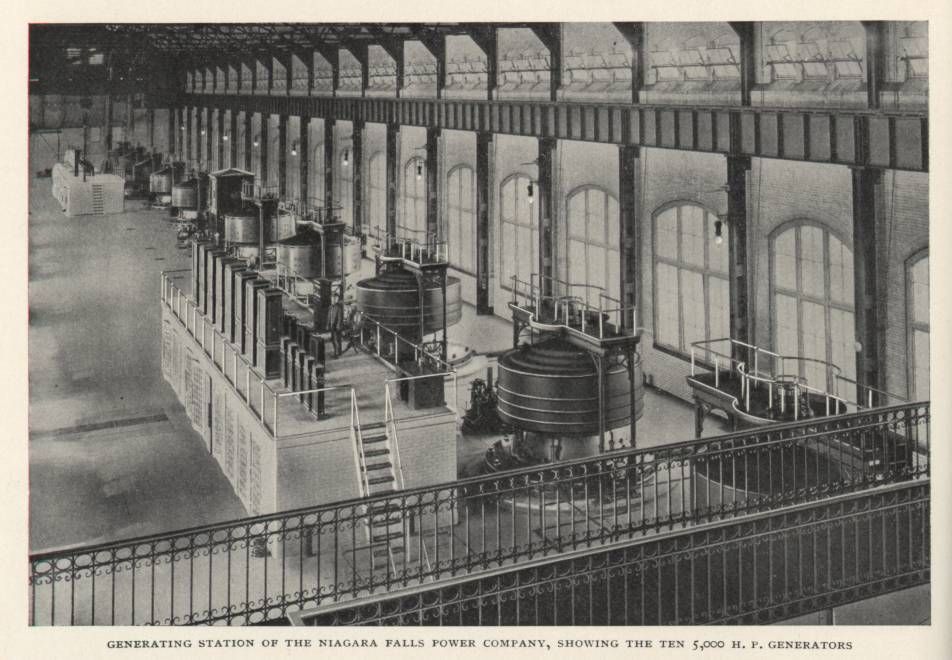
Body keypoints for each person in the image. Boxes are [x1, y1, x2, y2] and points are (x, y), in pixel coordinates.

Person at [326, 293, 344, 357]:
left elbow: (339, 318)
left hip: (336, 327)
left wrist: (338, 326)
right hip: (332, 326)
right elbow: (328, 317)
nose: (333, 300)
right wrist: (327, 325)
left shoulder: (339, 308)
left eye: (335, 299)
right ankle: (337, 351)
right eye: (332, 299)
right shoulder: (330, 307)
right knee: (333, 339)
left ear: (337, 300)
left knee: (336, 340)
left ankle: (336, 353)